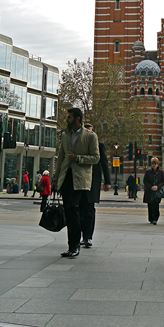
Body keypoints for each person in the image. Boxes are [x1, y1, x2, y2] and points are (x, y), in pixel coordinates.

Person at [53, 108, 100, 258]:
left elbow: (96, 158)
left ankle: (75, 245)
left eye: (70, 117)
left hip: (80, 178)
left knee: (73, 209)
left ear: (78, 119)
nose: (67, 119)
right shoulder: (65, 135)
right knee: (69, 210)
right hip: (66, 177)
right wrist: (55, 178)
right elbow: (60, 158)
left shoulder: (90, 136)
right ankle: (72, 245)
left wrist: (78, 158)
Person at [79, 123, 112, 247]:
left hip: (93, 182)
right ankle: (82, 236)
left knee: (89, 210)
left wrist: (107, 181)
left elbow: (104, 163)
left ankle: (88, 237)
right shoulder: (80, 144)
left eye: (90, 131)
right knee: (80, 209)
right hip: (81, 180)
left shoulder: (99, 145)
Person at [143, 157, 164, 225]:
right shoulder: (148, 172)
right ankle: (151, 219)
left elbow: (163, 181)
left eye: (155, 164)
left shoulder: (161, 172)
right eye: (153, 164)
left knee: (156, 205)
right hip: (150, 191)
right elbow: (145, 181)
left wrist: (158, 187)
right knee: (150, 205)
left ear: (158, 164)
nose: (154, 165)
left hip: (157, 191)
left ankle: (155, 218)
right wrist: (151, 187)